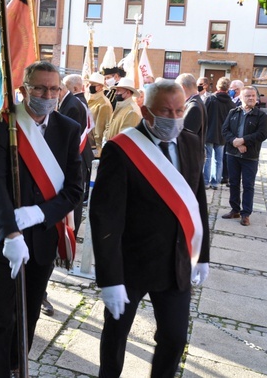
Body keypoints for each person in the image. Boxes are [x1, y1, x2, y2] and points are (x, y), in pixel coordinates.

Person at [90, 79, 210, 378]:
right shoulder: (122, 149)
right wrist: (110, 279)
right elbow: (105, 217)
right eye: (165, 111)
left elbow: (197, 200)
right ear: (145, 111)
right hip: (130, 265)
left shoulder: (191, 141)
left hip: (175, 262)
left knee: (174, 338)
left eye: (180, 110)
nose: (174, 118)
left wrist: (202, 253)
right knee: (116, 336)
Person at [0, 61, 83, 377]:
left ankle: (13, 366)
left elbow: (75, 189)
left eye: (53, 89)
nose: (46, 94)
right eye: (39, 87)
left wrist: (39, 213)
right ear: (23, 89)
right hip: (1, 240)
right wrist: (9, 232)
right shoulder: (2, 124)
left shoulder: (68, 129)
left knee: (28, 316)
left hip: (42, 238)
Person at [221, 86, 267, 226]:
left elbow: (262, 134)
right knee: (234, 183)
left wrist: (244, 140)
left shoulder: (261, 116)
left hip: (250, 156)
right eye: (248, 95)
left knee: (248, 185)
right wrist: (235, 142)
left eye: (253, 95)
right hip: (233, 154)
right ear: (241, 97)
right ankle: (234, 209)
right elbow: (225, 130)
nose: (251, 98)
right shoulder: (233, 112)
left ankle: (246, 213)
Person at [59, 74, 92, 235]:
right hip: (79, 154)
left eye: (53, 90)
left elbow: (70, 135)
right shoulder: (70, 102)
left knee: (75, 194)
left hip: (78, 154)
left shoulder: (72, 105)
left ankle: (72, 229)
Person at [203, 77, 235, 189]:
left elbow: (203, 116)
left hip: (209, 133)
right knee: (219, 160)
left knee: (207, 158)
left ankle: (206, 182)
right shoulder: (231, 104)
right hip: (222, 136)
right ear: (228, 88)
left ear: (217, 86)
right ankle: (216, 182)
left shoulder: (210, 99)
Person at [176, 73, 207, 166]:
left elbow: (185, 137)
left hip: (190, 159)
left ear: (182, 87)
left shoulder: (194, 106)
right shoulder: (195, 103)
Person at [102, 77, 142, 144]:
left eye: (118, 91)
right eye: (116, 91)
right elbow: (109, 125)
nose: (116, 93)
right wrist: (105, 138)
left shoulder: (132, 111)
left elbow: (125, 139)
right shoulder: (120, 106)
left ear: (128, 92)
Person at [86, 73, 113, 158]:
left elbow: (104, 126)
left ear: (101, 87)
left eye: (93, 85)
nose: (91, 86)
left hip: (95, 146)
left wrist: (98, 147)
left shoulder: (104, 103)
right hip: (88, 141)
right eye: (90, 84)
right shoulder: (89, 98)